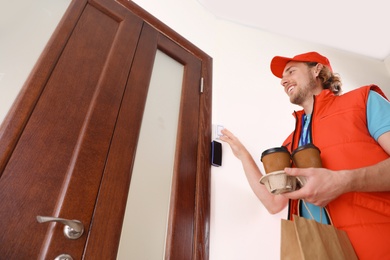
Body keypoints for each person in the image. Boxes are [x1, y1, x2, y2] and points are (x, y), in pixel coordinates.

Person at [220, 51, 390, 259]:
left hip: (377, 243)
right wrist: (243, 154)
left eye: (291, 71)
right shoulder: (290, 143)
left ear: (317, 69)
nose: (283, 81)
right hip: (323, 251)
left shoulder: (363, 100)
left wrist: (344, 181)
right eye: (282, 77)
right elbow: (274, 203)